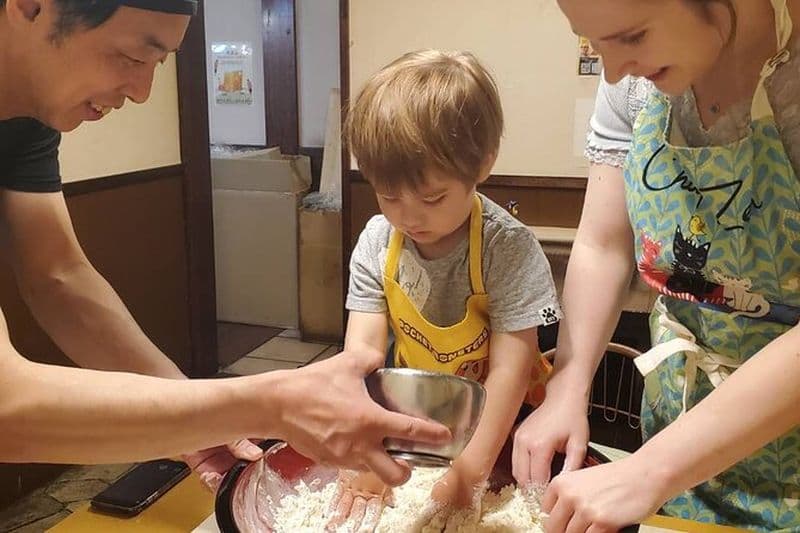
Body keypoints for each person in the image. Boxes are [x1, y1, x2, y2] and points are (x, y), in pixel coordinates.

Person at [0, 0, 449, 489]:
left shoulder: (27, 120)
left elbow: (58, 276)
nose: (143, 92)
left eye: (160, 64)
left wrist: (187, 412)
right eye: (133, 57)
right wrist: (273, 402)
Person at [512, 0, 800, 531]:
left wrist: (650, 470)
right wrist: (569, 384)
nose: (614, 70)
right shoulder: (633, 82)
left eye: (632, 37)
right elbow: (604, 245)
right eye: (594, 43)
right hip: (675, 431)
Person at [325, 49, 561, 531]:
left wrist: (470, 473)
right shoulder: (377, 242)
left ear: (483, 163)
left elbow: (510, 376)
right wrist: (369, 453)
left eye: (433, 197)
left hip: (502, 431)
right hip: (419, 420)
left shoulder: (506, 248)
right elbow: (362, 361)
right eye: (388, 196)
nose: (409, 216)